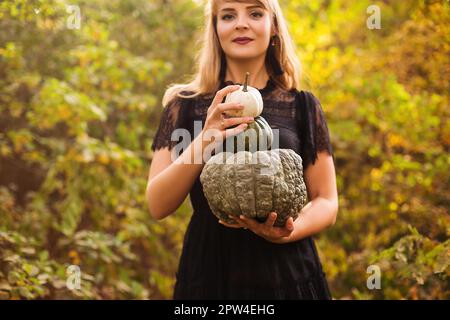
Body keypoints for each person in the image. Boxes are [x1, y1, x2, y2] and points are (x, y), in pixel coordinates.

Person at [146, 0, 338, 299]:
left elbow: (326, 200)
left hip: (287, 272)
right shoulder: (183, 105)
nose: (241, 23)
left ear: (273, 26)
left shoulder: (302, 106)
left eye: (255, 13)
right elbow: (158, 204)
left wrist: (289, 232)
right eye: (228, 15)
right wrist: (206, 136)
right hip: (211, 274)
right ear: (216, 28)